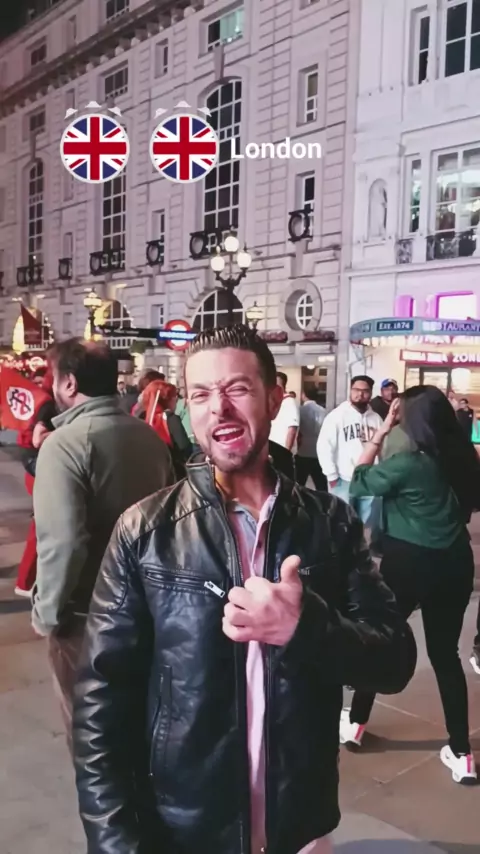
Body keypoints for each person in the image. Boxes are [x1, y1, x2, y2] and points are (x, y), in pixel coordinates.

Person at [72, 324, 416, 854]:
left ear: (274, 398)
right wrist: (114, 842)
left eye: (237, 388)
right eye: (201, 394)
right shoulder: (146, 532)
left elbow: (394, 661)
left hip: (299, 827)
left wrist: (307, 627)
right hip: (183, 828)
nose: (219, 408)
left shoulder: (329, 523)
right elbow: (100, 703)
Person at [32, 338, 174, 753]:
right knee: (137, 725)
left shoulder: (64, 445)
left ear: (70, 383)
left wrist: (48, 614)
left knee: (92, 740)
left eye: (54, 377)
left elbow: (64, 542)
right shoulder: (149, 438)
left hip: (84, 616)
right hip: (144, 607)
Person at [345, 386, 480, 784]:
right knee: (446, 655)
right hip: (455, 563)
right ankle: (462, 753)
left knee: (381, 638)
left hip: (408, 564)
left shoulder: (408, 464)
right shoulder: (462, 459)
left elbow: (357, 479)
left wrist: (381, 431)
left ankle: (356, 723)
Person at [317, 375, 383, 525]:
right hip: (343, 479)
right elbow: (324, 446)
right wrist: (332, 476)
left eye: (365, 391)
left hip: (369, 481)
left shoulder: (376, 419)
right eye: (356, 390)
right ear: (350, 390)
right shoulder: (337, 416)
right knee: (342, 523)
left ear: (370, 393)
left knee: (367, 524)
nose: (360, 394)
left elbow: (382, 449)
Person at [15, 368, 57, 597]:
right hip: (39, 466)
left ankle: (28, 580)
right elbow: (37, 438)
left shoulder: (38, 399)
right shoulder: (47, 403)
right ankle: (27, 581)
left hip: (33, 466)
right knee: (42, 525)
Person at [142, 379, 193, 478]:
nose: (176, 399)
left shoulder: (143, 418)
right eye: (174, 396)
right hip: (174, 473)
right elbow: (185, 447)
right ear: (166, 400)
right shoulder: (171, 419)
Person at [296, 387, 327, 490]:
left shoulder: (300, 410)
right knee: (321, 485)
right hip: (318, 452)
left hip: (303, 450)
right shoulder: (323, 411)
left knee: (299, 483)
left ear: (303, 395)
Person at [269, 370, 299, 451]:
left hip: (282, 450)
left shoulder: (289, 402)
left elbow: (292, 429)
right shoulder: (275, 402)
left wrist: (286, 452)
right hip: (273, 449)